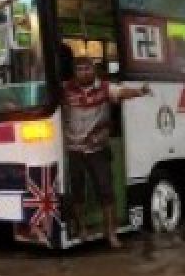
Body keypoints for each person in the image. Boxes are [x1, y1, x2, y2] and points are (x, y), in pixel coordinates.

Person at [60, 43, 152, 247]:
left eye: (87, 68)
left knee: (106, 191)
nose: (83, 72)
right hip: (74, 150)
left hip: (97, 150)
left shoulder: (103, 88)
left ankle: (111, 233)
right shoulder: (65, 89)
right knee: (77, 193)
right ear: (74, 73)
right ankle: (82, 229)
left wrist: (141, 91)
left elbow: (122, 92)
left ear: (94, 70)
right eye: (79, 69)